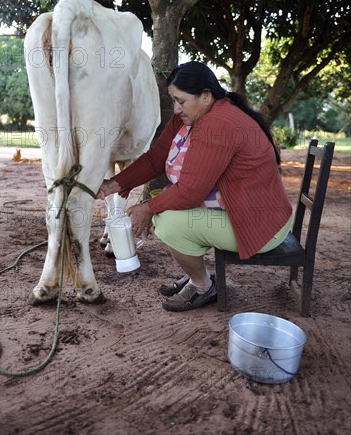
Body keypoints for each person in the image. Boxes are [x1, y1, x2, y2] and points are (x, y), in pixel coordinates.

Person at [96, 61, 292, 312]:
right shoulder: (192, 118)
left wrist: (148, 208)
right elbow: (156, 159)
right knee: (166, 213)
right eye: (173, 101)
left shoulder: (218, 124)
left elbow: (190, 192)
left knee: (168, 223)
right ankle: (197, 278)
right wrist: (113, 185)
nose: (176, 109)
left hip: (261, 225)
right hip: (246, 213)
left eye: (182, 101)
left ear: (207, 96)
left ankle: (203, 286)